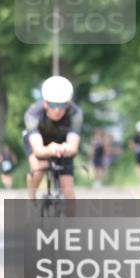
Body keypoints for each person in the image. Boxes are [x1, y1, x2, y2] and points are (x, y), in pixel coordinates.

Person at [23, 76, 82, 211]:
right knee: (39, 167)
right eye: (53, 104)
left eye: (62, 105)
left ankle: (72, 226)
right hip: (39, 141)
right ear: (45, 103)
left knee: (68, 189)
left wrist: (67, 148)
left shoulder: (75, 113)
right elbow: (38, 150)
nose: (57, 110)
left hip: (62, 143)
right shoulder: (33, 114)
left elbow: (73, 147)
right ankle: (31, 195)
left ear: (67, 104)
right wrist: (50, 149)